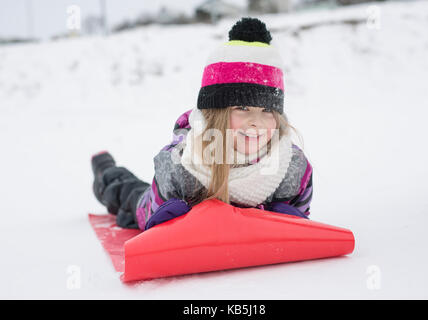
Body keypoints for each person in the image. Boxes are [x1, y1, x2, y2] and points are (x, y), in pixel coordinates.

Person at [91, 17, 313, 231]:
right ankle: (107, 173)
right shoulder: (181, 166)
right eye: (242, 108)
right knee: (129, 195)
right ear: (216, 114)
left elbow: (297, 227)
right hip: (152, 204)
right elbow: (156, 230)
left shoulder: (292, 168)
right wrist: (170, 221)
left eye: (267, 110)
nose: (256, 122)